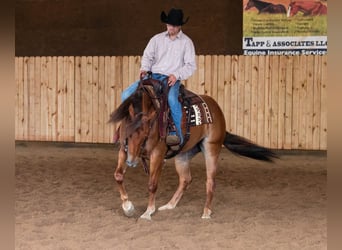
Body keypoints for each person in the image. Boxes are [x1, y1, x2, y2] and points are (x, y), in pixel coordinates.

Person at [121, 8, 197, 145]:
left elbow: (190, 65)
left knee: (172, 100)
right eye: (168, 24)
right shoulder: (156, 39)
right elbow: (148, 56)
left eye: (173, 25)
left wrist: (177, 75)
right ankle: (129, 126)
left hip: (171, 79)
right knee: (125, 94)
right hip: (153, 76)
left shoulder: (187, 43)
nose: (170, 28)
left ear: (179, 26)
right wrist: (144, 68)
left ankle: (175, 132)